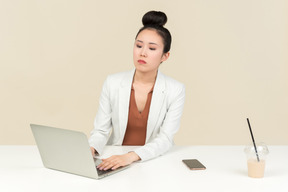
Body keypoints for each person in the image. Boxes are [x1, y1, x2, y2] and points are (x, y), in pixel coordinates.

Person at [89, 10, 185, 171]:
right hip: (114, 158)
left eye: (152, 48)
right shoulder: (112, 82)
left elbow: (165, 139)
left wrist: (130, 157)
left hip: (153, 161)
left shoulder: (175, 89)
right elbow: (100, 130)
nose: (142, 53)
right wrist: (90, 150)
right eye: (138, 45)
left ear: (165, 56)